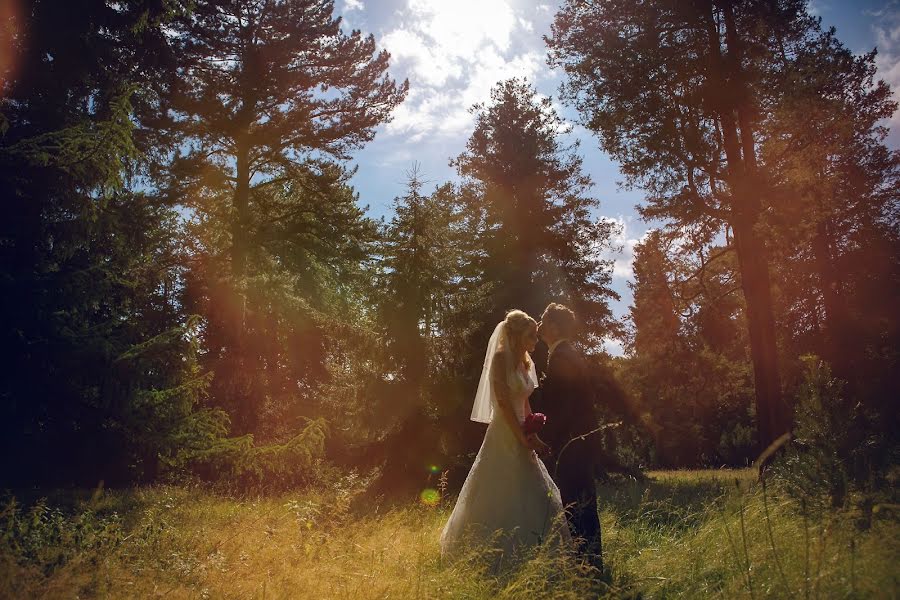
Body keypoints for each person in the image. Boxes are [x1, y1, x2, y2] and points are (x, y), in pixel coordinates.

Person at [440, 310, 570, 564]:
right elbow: (504, 404)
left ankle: (534, 552)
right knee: (499, 487)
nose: (535, 339)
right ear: (515, 334)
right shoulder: (500, 358)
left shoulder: (526, 361)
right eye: (531, 335)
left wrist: (533, 434)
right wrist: (520, 437)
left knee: (532, 489)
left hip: (522, 432)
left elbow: (524, 403)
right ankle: (489, 554)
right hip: (504, 430)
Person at [533, 302, 603, 571]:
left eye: (543, 319)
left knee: (574, 502)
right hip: (581, 442)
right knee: (582, 501)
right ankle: (591, 561)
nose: (539, 324)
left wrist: (546, 438)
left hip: (573, 444)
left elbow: (563, 408)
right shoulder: (566, 353)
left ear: (553, 325)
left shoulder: (561, 356)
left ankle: (584, 564)